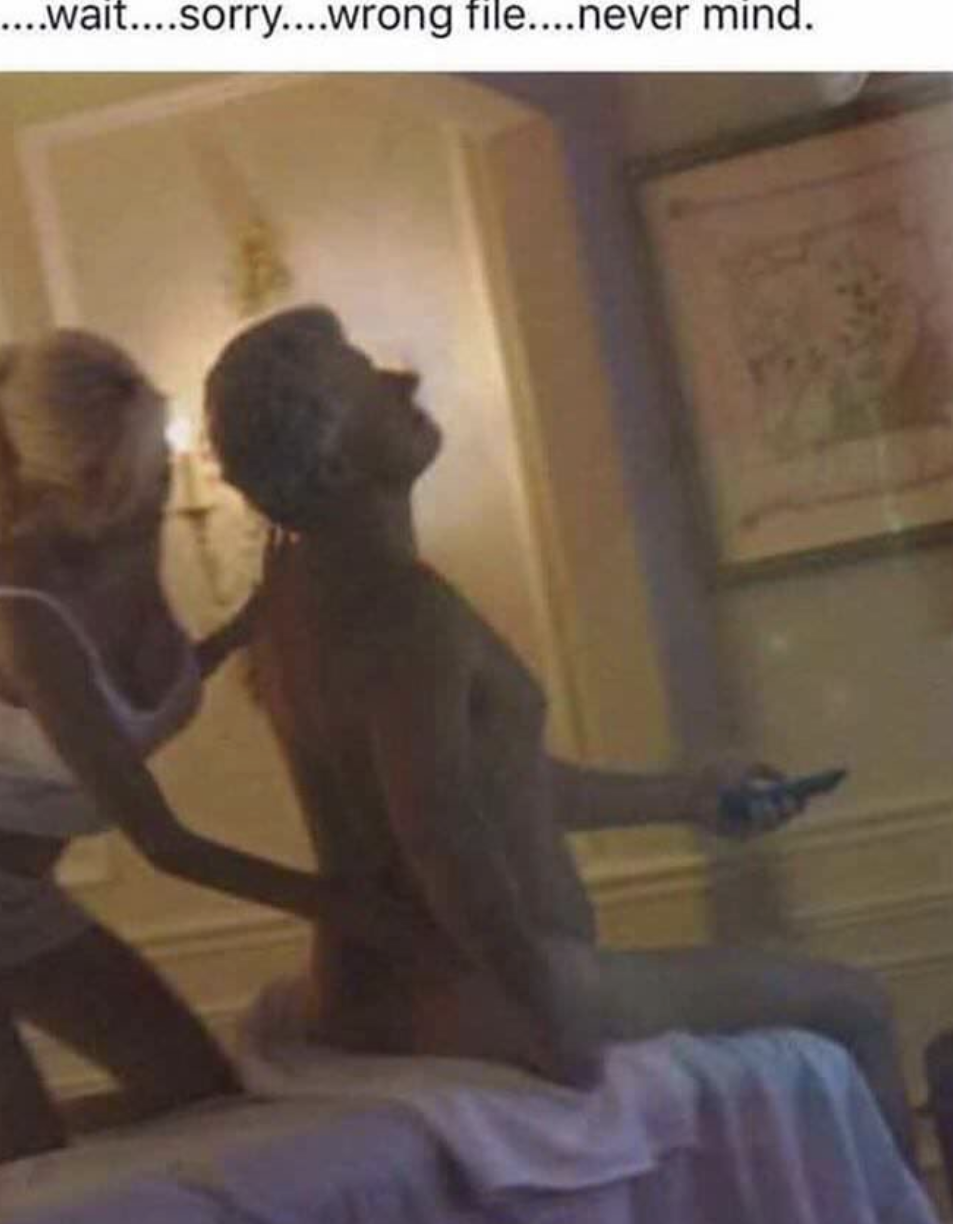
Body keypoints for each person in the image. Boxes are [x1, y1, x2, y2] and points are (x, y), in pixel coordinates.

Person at [204, 303, 917, 1165]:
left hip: (372, 990)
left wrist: (687, 795)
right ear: (336, 460)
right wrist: (542, 1007)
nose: (406, 380)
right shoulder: (405, 612)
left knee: (829, 1004)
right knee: (853, 1007)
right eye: (370, 381)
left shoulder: (292, 600)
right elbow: (440, 834)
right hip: (470, 991)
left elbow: (491, 783)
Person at [0, 327, 420, 1178]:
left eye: (162, 471)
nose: (158, 494)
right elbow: (161, 839)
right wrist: (337, 903)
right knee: (17, 1157)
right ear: (72, 476)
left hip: (14, 885)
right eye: (137, 476)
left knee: (198, 1090)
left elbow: (126, 706)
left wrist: (245, 624)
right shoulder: (22, 612)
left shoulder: (129, 535)